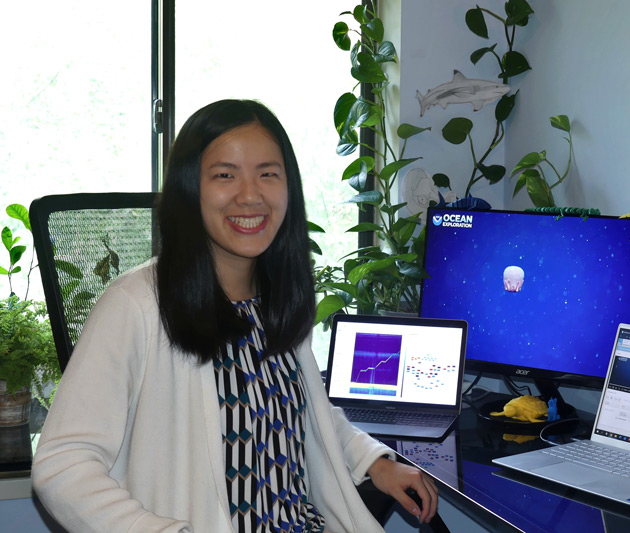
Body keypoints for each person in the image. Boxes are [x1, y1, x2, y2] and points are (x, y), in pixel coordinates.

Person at [32, 99, 438, 533]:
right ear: (191, 188)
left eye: (268, 174)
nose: (251, 195)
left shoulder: (277, 297)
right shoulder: (136, 304)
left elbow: (305, 414)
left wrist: (371, 459)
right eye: (225, 175)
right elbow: (61, 463)